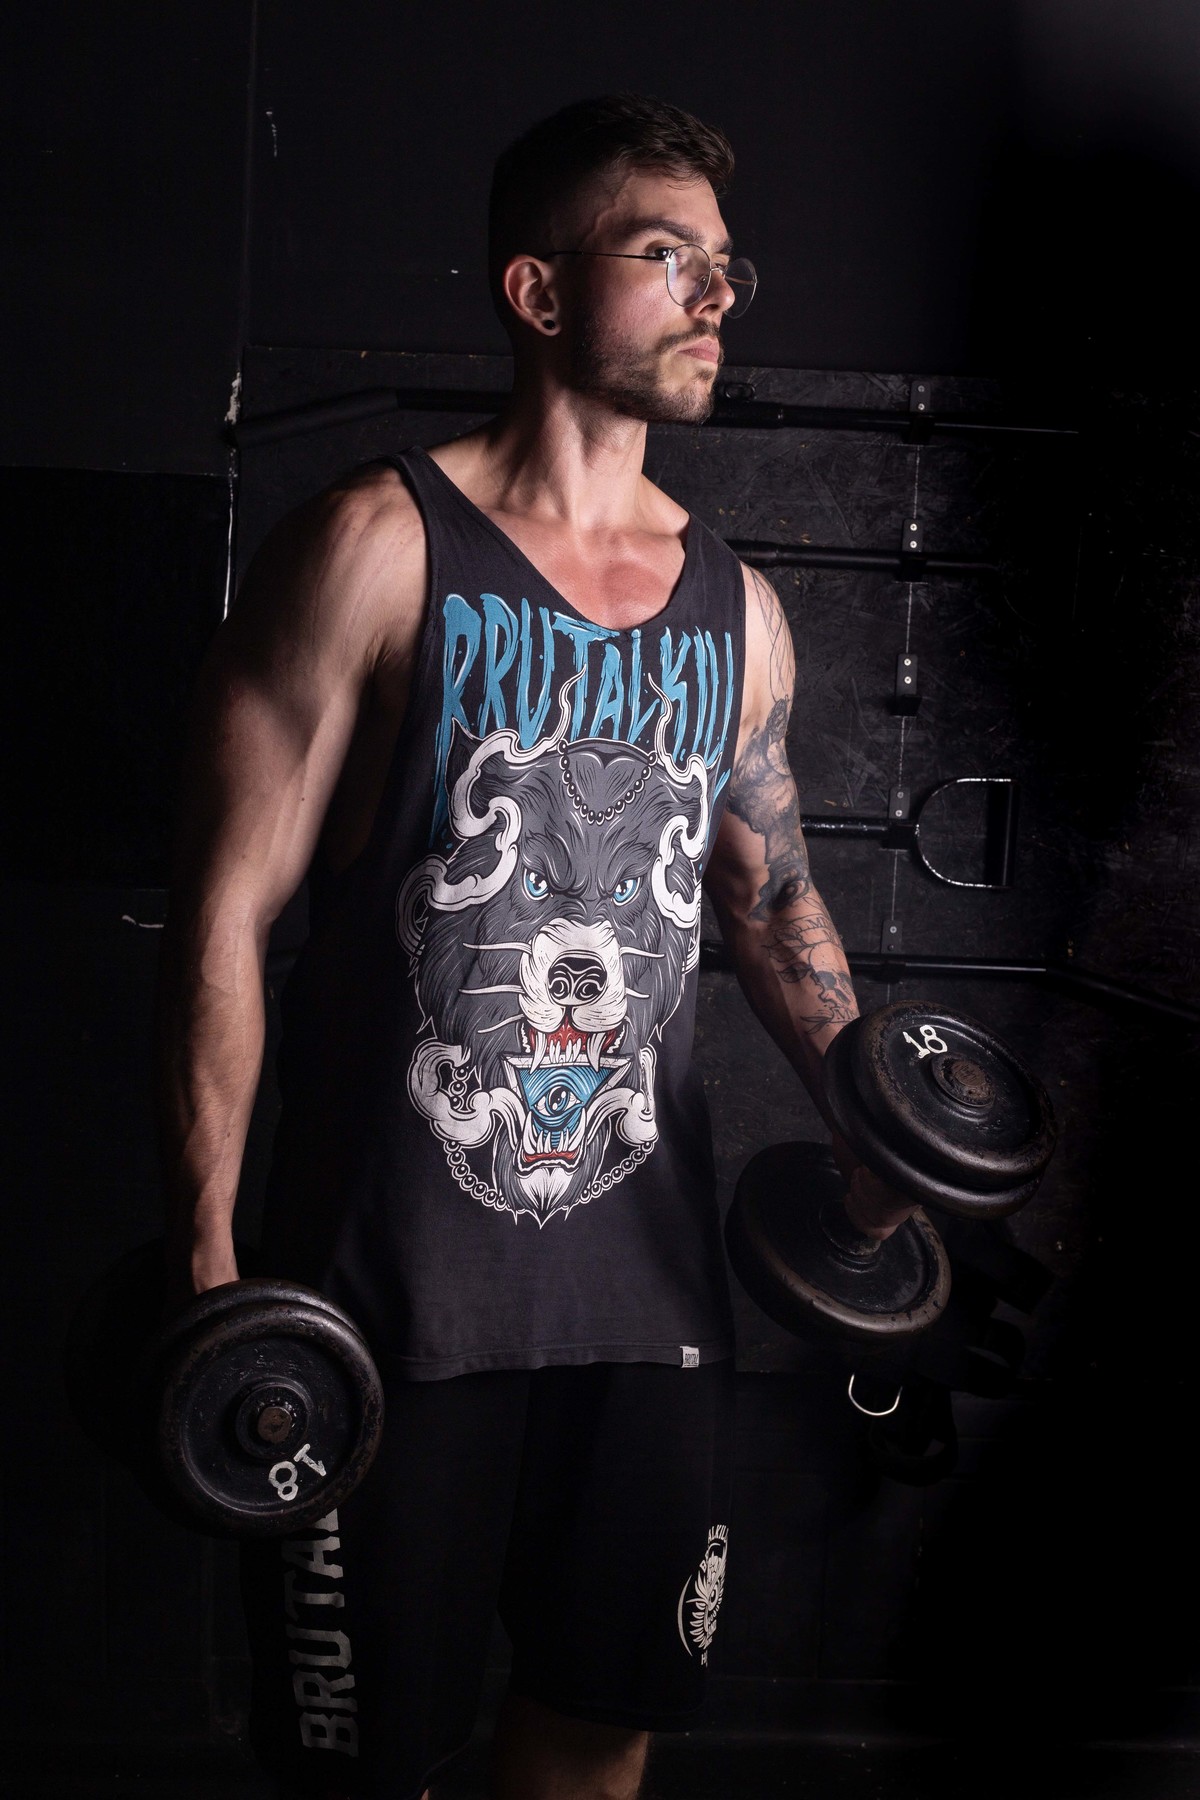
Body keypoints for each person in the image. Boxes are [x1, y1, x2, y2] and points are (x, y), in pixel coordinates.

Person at [157, 93, 897, 1800]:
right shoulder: (374, 549)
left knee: (595, 1735)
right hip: (383, 1304)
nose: (717, 295)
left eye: (728, 265)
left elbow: (771, 904)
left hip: (650, 1302)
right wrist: (206, 1251)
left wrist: (875, 1135)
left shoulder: (740, 612)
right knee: (364, 1768)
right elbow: (224, 909)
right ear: (539, 291)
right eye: (666, 255)